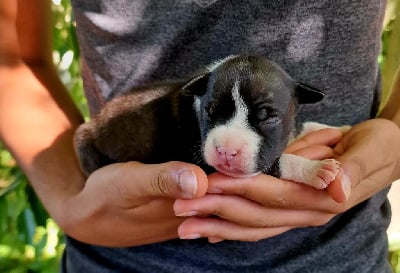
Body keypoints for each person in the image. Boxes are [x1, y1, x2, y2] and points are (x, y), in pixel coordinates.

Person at [1, 0, 400, 272]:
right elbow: (10, 53)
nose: (231, 146)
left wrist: (395, 134)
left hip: (341, 254)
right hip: (122, 259)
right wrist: (71, 206)